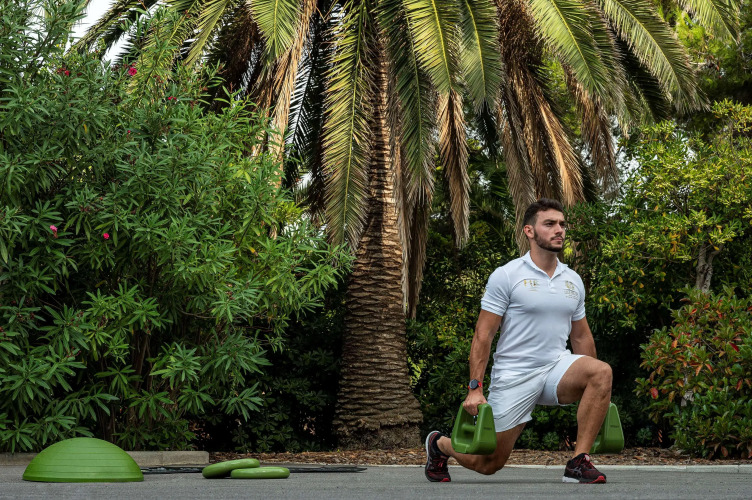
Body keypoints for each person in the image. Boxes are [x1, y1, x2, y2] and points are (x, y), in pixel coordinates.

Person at [424, 198, 612, 484]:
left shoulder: (573, 280)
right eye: (549, 224)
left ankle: (578, 462)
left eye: (562, 224)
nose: (559, 230)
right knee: (488, 463)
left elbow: (581, 336)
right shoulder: (507, 275)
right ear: (529, 231)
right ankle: (440, 444)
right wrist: (475, 388)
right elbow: (483, 334)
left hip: (556, 367)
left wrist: (599, 392)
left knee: (601, 372)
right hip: (515, 375)